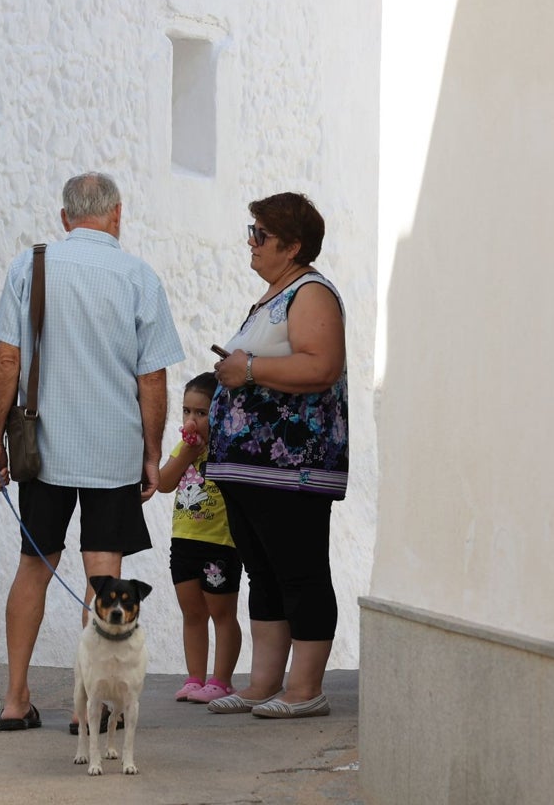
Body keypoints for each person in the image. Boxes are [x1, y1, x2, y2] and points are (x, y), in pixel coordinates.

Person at [0, 172, 184, 732]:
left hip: (42, 450)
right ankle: (87, 709)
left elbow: (6, 360)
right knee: (104, 574)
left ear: (66, 217)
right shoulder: (139, 278)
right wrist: (152, 453)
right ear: (116, 215)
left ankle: (15, 699)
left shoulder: (31, 266)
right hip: (112, 451)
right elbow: (153, 379)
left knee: (33, 568)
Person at [204, 191, 348, 720]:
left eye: (260, 235)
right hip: (252, 469)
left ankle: (305, 688)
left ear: (292, 246)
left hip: (293, 470)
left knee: (299, 571)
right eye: (251, 231)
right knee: (264, 574)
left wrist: (248, 370)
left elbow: (322, 366)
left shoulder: (311, 293)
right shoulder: (273, 297)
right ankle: (264, 684)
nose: (251, 242)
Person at [157, 371, 243, 704]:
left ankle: (221, 680)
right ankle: (195, 678)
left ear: (220, 413)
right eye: (187, 411)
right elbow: (164, 483)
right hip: (184, 540)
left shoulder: (227, 448)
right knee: (192, 613)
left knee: (222, 613)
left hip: (219, 543)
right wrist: (187, 455)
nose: (192, 420)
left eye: (201, 413)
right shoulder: (185, 449)